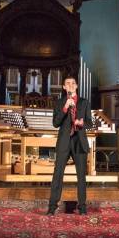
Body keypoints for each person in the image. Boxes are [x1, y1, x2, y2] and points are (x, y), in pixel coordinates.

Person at [47, 75, 92, 216]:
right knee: (57, 175)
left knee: (81, 177)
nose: (71, 85)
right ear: (64, 87)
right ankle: (52, 207)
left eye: (73, 83)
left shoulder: (84, 102)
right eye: (68, 83)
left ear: (77, 86)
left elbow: (90, 123)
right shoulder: (60, 102)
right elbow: (55, 123)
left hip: (79, 141)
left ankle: (83, 207)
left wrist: (81, 123)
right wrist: (66, 107)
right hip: (64, 142)